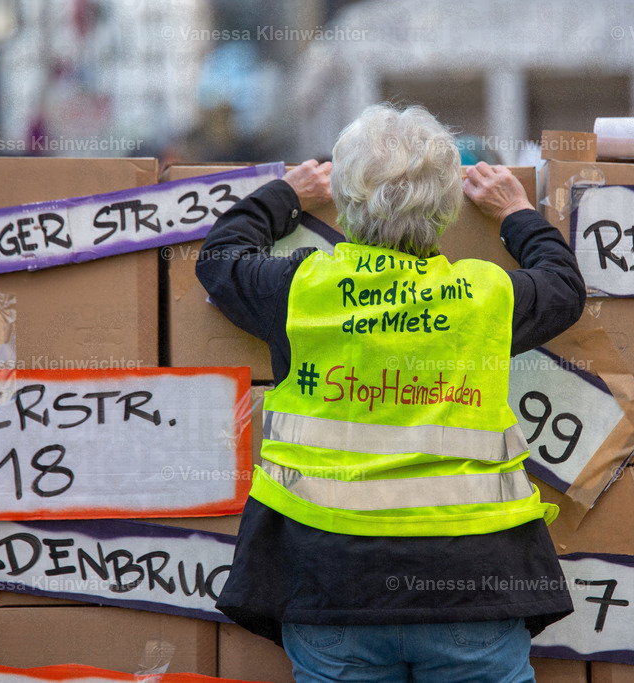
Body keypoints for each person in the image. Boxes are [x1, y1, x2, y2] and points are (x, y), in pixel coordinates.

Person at [197, 103, 585, 682]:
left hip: (330, 588)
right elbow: (562, 286)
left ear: (349, 201)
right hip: (473, 588)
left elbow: (220, 258)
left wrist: (287, 195)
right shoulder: (483, 296)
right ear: (448, 207)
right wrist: (515, 213)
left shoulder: (303, 289)